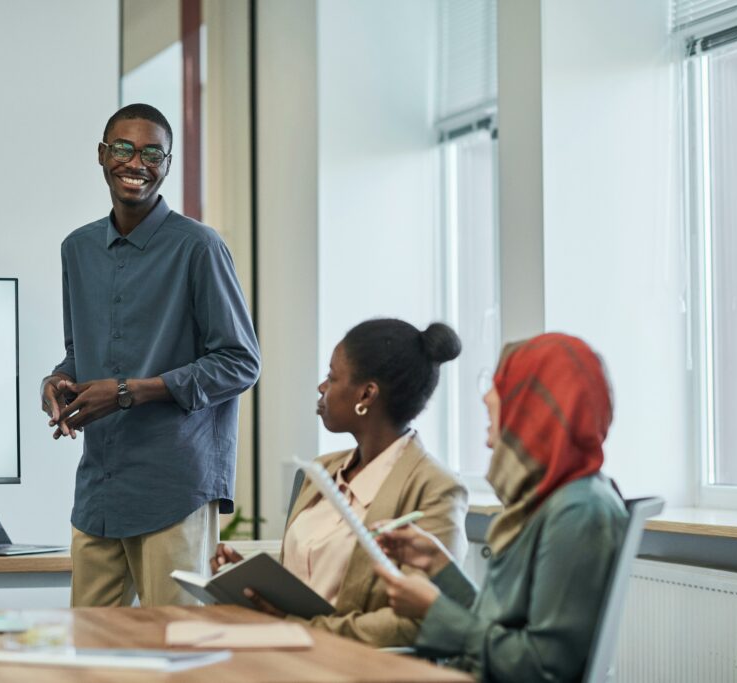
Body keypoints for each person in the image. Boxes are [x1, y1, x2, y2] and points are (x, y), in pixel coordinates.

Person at [41, 103, 261, 608]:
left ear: (166, 163)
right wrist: (59, 381)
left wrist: (126, 393)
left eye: (151, 153)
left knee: (175, 651)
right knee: (91, 653)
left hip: (174, 487)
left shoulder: (199, 247)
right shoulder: (77, 249)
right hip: (100, 487)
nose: (135, 163)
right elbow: (81, 353)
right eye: (123, 148)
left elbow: (240, 361)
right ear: (102, 155)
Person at [375, 333, 628, 682]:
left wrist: (434, 612)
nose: (487, 395)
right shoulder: (552, 498)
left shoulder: (577, 512)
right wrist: (438, 566)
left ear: (533, 407)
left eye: (501, 383)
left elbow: (542, 668)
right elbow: (502, 627)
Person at [212, 318, 468, 647]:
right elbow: (307, 584)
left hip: (352, 666)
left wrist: (302, 630)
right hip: (285, 654)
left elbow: (416, 623)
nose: (322, 387)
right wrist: (250, 582)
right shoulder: (322, 470)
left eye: (332, 377)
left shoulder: (436, 488)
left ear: (367, 394)